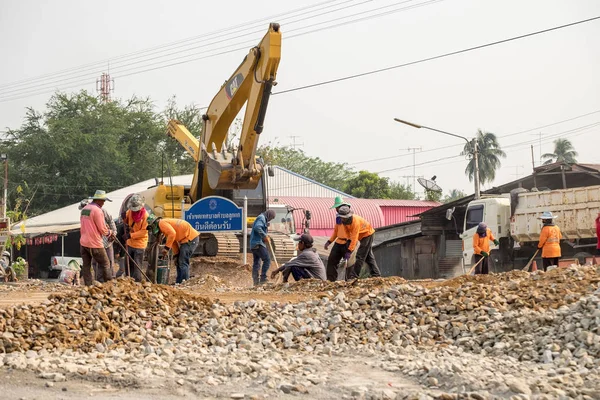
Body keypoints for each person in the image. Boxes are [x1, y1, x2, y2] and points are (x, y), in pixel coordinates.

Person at [147, 215, 200, 284]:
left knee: (183, 261)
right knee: (178, 261)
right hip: (187, 239)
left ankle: (184, 282)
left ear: (154, 224)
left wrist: (166, 248)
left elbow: (172, 234)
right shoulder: (165, 226)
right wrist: (176, 255)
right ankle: (179, 282)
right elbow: (173, 241)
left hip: (190, 239)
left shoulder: (161, 223)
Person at [79, 190, 115, 286]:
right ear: (98, 200)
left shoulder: (85, 209)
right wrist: (110, 232)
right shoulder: (97, 211)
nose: (103, 203)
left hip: (83, 243)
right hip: (95, 243)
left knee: (86, 265)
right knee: (106, 263)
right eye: (103, 201)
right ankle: (109, 285)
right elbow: (102, 229)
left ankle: (88, 285)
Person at [337, 205, 381, 280]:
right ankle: (376, 274)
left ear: (348, 216)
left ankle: (354, 276)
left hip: (367, 234)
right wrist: (348, 243)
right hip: (361, 235)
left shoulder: (355, 222)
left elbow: (354, 239)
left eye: (343, 217)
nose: (342, 219)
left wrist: (349, 251)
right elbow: (348, 234)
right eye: (341, 217)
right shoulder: (344, 222)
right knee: (368, 257)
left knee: (360, 256)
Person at [123, 194, 148, 282]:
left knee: (137, 265)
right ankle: (128, 282)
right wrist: (123, 218)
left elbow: (144, 231)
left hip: (140, 244)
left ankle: (137, 283)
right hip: (130, 243)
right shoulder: (130, 212)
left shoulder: (145, 216)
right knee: (128, 265)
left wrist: (131, 235)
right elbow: (126, 222)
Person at [249, 209, 276, 285]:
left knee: (257, 263)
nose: (270, 219)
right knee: (267, 259)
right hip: (258, 243)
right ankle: (263, 278)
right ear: (269, 215)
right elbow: (257, 227)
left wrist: (266, 236)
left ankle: (256, 281)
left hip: (254, 244)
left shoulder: (263, 218)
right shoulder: (262, 218)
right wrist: (264, 236)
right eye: (271, 218)